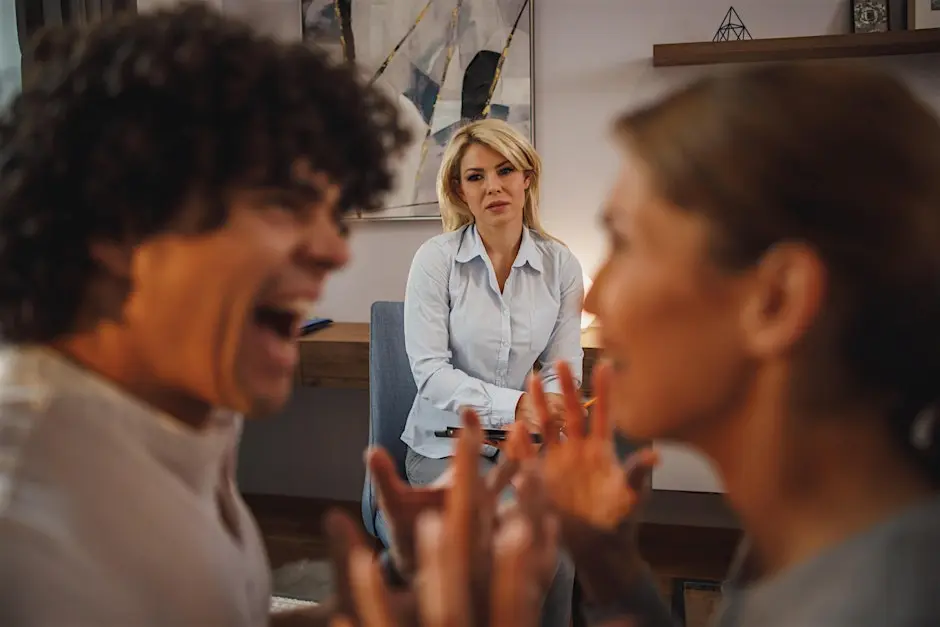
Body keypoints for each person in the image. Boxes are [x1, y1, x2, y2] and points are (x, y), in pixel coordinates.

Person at [0, 4, 410, 626]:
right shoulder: (27, 535)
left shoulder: (178, 411)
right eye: (282, 202)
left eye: (333, 214)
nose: (336, 251)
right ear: (120, 223)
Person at [527, 63, 940, 627]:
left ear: (775, 300)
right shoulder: (812, 535)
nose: (591, 300)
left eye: (622, 242)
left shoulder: (875, 606)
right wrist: (609, 568)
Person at [399, 118, 583, 627]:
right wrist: (518, 407)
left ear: (527, 176)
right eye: (476, 176)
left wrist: (549, 413)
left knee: (560, 561)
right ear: (460, 190)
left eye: (505, 170)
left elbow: (561, 370)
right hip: (445, 446)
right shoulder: (435, 260)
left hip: (525, 447)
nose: (493, 186)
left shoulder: (561, 266)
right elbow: (431, 374)